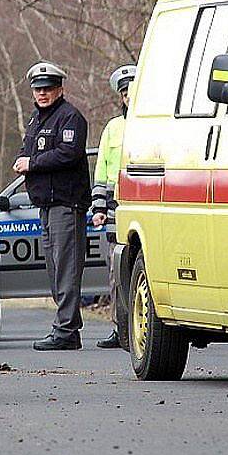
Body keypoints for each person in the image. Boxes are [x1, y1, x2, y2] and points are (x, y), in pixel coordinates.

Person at [13, 61, 91, 351]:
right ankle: (66, 326)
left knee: (67, 268)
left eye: (48, 88)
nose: (43, 93)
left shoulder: (70, 117)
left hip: (66, 204)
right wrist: (23, 158)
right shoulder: (37, 119)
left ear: (60, 89)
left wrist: (32, 163)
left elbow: (68, 154)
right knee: (55, 268)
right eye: (38, 89)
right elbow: (28, 149)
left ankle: (66, 330)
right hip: (46, 205)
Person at [93, 65, 136, 349]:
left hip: (142, 207)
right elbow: (101, 172)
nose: (129, 97)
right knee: (116, 274)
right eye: (124, 93)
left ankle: (141, 332)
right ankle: (119, 329)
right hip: (114, 209)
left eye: (132, 90)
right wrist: (98, 207)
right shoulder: (113, 129)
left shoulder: (154, 124)